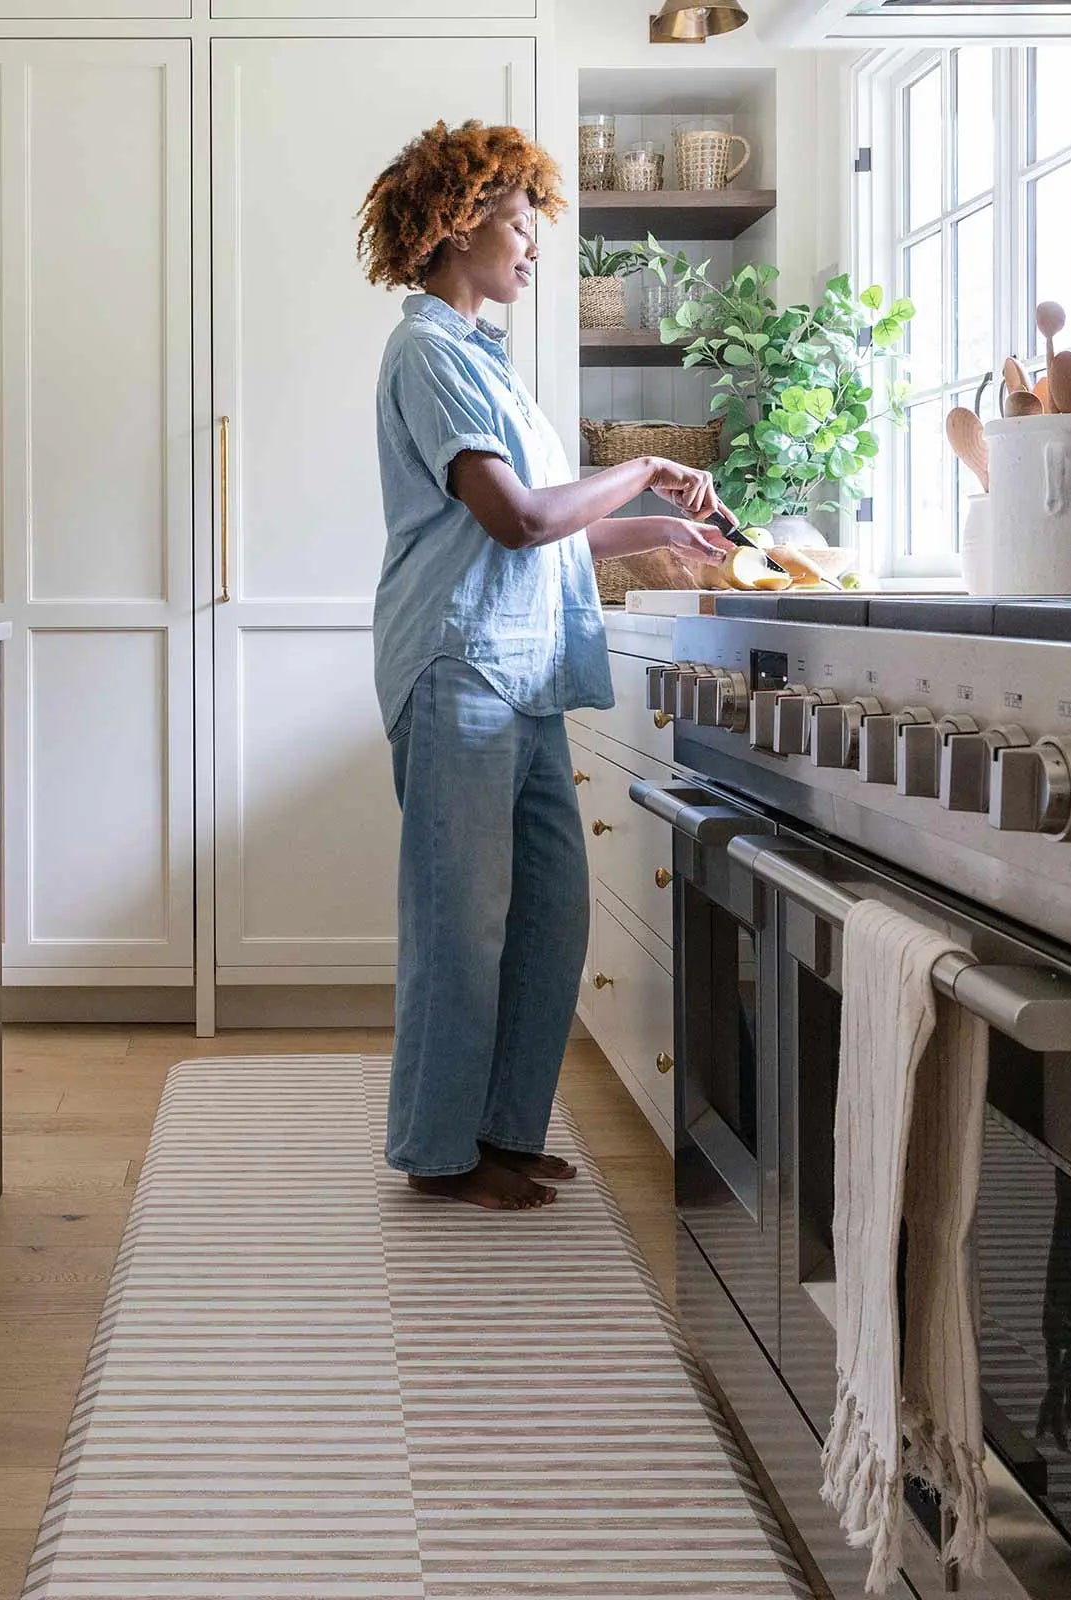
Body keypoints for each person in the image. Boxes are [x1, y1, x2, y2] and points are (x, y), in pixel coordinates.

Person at [356, 119, 731, 1212]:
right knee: (459, 921)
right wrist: (648, 468)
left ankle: (504, 1129)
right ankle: (439, 1153)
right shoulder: (426, 350)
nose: (532, 248)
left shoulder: (486, 362)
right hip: (458, 665)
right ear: (460, 222)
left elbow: (551, 527)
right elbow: (515, 518)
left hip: (519, 670)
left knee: (547, 911)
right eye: (521, 226)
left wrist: (661, 528)